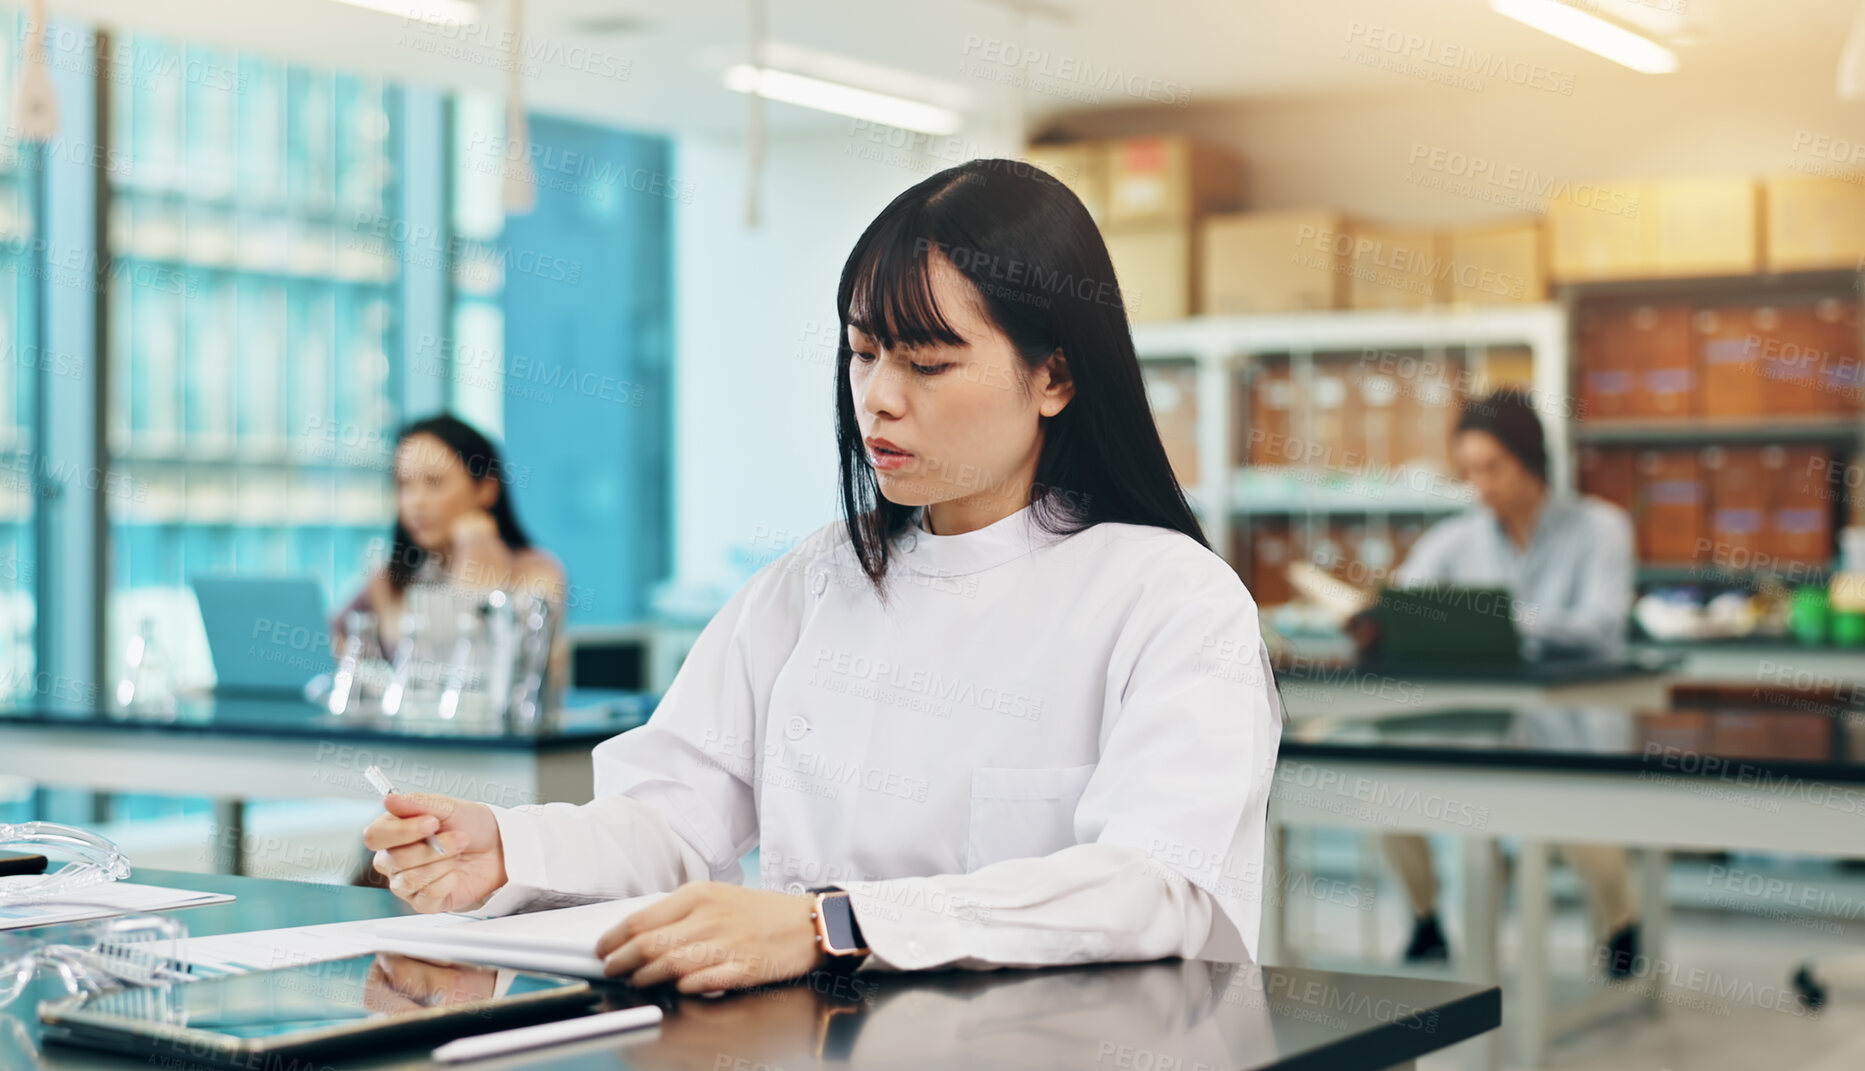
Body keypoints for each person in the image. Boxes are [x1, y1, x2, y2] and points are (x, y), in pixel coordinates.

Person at [364, 158, 1284, 994]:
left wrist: (831, 924)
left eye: (926, 361)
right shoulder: (815, 581)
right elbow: (672, 820)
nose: (878, 396)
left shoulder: (1171, 598)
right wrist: (508, 846)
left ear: (1054, 377)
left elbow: (1157, 884)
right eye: (862, 351)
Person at [1365, 388, 1640, 976]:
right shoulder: (1453, 539)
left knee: (1574, 818)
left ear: (1531, 461)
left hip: (1572, 724)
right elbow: (1404, 605)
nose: (1481, 485)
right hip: (1475, 727)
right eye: (1469, 471)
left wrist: (1501, 618)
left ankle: (1620, 924)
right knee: (1379, 786)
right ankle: (1427, 922)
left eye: (1493, 468)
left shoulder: (1601, 529)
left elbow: (1600, 628)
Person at [335, 414, 565, 655]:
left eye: (434, 482)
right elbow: (331, 644)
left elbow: (468, 656)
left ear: (486, 488)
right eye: (404, 484)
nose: (416, 502)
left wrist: (476, 543)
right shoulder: (389, 580)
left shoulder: (537, 571)